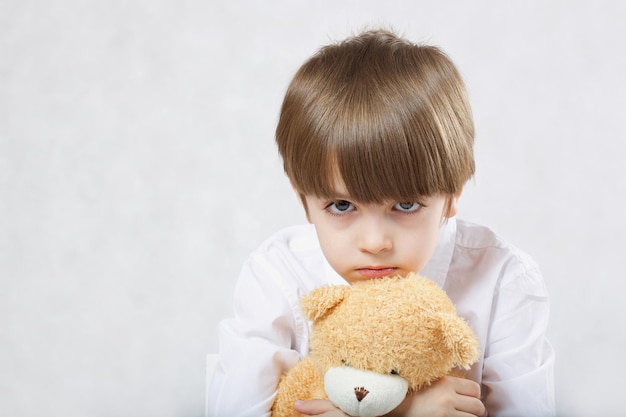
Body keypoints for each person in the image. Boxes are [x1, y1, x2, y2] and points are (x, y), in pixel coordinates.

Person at [206, 29, 555, 417]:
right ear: (302, 198)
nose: (374, 242)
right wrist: (402, 411)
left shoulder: (502, 279)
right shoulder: (276, 275)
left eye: (405, 204)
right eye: (341, 205)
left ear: (453, 194)